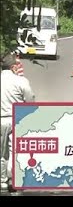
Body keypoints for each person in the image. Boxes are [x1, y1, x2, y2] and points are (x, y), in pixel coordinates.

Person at [1, 53, 35, 194]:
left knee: (2, 154)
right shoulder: (21, 81)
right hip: (16, 118)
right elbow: (30, 99)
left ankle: (2, 181)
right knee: (15, 151)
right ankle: (14, 179)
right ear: (13, 67)